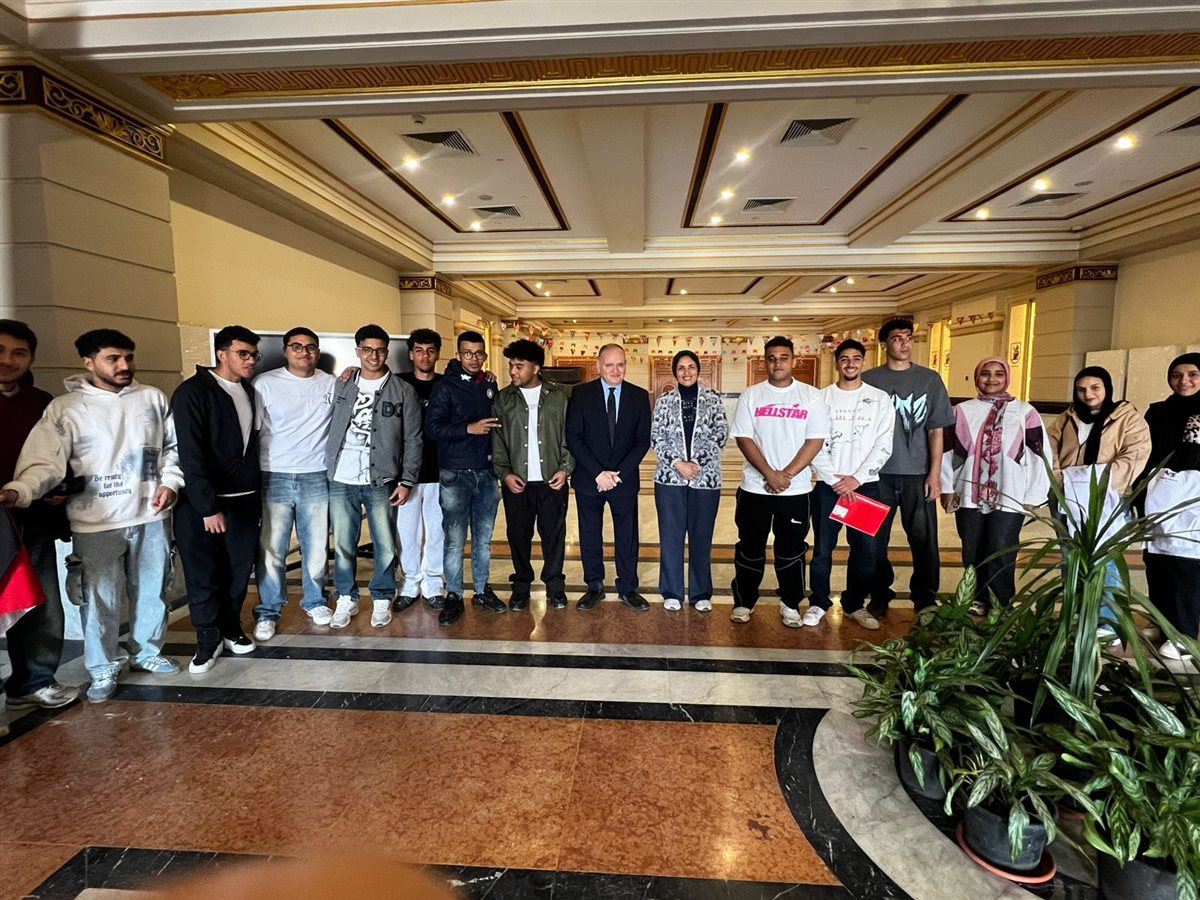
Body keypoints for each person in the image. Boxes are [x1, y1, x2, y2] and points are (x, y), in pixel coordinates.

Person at [2, 329, 184, 702]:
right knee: (99, 599)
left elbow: (171, 448)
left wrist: (171, 483)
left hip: (150, 516)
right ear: (89, 363)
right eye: (112, 358)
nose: (123, 365)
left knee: (154, 591)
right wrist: (20, 490)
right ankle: (103, 666)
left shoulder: (152, 398)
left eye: (128, 357)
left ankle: (146, 652)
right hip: (96, 522)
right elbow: (44, 462)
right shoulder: (65, 408)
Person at [172, 324, 263, 673]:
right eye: (243, 354)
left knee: (238, 570)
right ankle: (207, 637)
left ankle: (230, 627)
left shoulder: (249, 391)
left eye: (253, 355)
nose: (250, 360)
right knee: (203, 572)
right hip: (204, 503)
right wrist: (207, 506)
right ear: (221, 354)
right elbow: (190, 453)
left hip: (245, 499)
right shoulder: (192, 392)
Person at [0, 319, 78, 714]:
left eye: (19, 353)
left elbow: (58, 460)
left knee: (40, 604)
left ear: (31, 358)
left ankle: (35, 681)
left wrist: (59, 489)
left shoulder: (43, 404)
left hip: (30, 522)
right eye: (0, 351)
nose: (8, 360)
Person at [729, 336, 830, 627]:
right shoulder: (752, 395)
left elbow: (815, 440)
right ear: (765, 362)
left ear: (793, 360)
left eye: (783, 357)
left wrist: (785, 475)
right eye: (772, 358)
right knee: (750, 547)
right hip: (754, 489)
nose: (777, 363)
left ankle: (790, 603)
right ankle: (744, 601)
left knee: (792, 550)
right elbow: (744, 438)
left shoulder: (811, 396)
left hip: (795, 491)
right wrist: (769, 474)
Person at [326, 324, 422, 630]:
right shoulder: (342, 385)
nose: (374, 356)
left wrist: (407, 481)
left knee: (384, 542)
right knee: (343, 542)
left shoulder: (403, 391)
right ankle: (346, 596)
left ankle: (382, 596)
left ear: (387, 353)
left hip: (382, 478)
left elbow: (413, 439)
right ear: (358, 351)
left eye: (380, 350)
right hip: (341, 477)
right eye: (367, 349)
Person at [862, 318, 955, 626]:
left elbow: (936, 430)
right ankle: (878, 594)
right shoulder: (868, 380)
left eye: (908, 337)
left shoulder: (930, 380)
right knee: (872, 540)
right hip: (875, 477)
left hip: (918, 475)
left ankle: (925, 598)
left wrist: (935, 475)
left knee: (925, 540)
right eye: (896, 338)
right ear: (884, 344)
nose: (904, 343)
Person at [940, 357, 1050, 615]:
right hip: (968, 492)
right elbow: (947, 452)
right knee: (972, 546)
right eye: (985, 373)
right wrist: (946, 487)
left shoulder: (1025, 412)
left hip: (1009, 492)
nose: (992, 379)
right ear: (976, 378)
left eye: (999, 374)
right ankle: (976, 597)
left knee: (1002, 546)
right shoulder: (960, 411)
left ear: (1007, 378)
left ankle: (1001, 602)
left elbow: (1039, 453)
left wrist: (1035, 492)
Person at [1047, 365, 1151, 635]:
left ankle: (1107, 621)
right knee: (1071, 557)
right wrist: (1061, 480)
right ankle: (1079, 610)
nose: (1088, 394)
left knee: (1107, 559)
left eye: (1095, 388)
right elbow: (1049, 449)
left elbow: (1135, 454)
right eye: (1081, 389)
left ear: (1107, 388)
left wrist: (1095, 482)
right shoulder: (1067, 418)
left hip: (1108, 497)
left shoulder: (1127, 418)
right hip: (1067, 496)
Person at [251, 327, 336, 641]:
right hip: (275, 474)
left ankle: (315, 601)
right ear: (286, 350)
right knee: (272, 548)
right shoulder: (265, 384)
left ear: (317, 351)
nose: (304, 352)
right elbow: (253, 431)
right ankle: (269, 611)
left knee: (316, 546)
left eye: (310, 347)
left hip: (316, 474)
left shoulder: (331, 383)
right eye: (297, 346)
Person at [809, 339, 895, 630]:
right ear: (837, 363)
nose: (850, 364)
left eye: (856, 358)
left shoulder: (879, 399)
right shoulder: (821, 398)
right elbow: (813, 443)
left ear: (863, 362)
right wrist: (835, 479)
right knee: (823, 548)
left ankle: (854, 604)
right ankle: (819, 602)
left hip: (865, 485)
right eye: (844, 358)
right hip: (828, 486)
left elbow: (884, 443)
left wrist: (857, 478)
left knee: (865, 549)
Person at [565, 343, 652, 612]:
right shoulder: (581, 394)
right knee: (590, 534)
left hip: (623, 481)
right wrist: (598, 473)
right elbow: (574, 437)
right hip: (589, 479)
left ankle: (628, 587)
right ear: (599, 366)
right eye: (610, 365)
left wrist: (618, 474)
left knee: (627, 536)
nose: (616, 370)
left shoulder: (639, 396)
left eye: (620, 364)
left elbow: (642, 441)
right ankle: (594, 586)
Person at [425, 331, 504, 625]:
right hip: (455, 474)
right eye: (468, 353)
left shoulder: (489, 384)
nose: (473, 358)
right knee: (455, 541)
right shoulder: (445, 387)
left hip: (486, 473)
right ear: (458, 355)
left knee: (483, 540)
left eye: (479, 353)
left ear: (485, 356)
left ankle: (482, 590)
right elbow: (432, 428)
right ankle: (454, 595)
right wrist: (467, 429)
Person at [492, 339, 573, 610]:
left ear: (536, 368)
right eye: (511, 366)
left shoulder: (559, 397)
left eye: (519, 366)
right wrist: (505, 474)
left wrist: (565, 468)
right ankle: (521, 587)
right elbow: (498, 441)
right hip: (518, 483)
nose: (513, 371)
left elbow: (569, 436)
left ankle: (555, 588)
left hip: (552, 482)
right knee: (518, 537)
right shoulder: (504, 398)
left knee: (554, 537)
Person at [650, 349, 728, 613]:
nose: (686, 372)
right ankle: (671, 591)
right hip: (669, 479)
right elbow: (656, 437)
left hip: (705, 481)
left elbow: (720, 433)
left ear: (698, 370)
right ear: (675, 372)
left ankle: (700, 593)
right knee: (670, 538)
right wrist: (678, 464)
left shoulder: (713, 399)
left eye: (691, 367)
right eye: (681, 367)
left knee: (701, 537)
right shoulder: (664, 401)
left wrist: (697, 463)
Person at [1141, 353, 1200, 660]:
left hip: (1192, 495)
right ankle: (1162, 622)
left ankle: (1183, 635)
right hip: (1158, 491)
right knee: (1156, 559)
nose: (1184, 381)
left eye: (1192, 374)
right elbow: (1145, 451)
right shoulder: (1158, 412)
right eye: (1177, 375)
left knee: (1184, 562)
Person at [396, 328, 446, 611]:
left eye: (430, 351)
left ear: (437, 354)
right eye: (419, 350)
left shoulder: (447, 384)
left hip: (440, 470)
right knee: (407, 532)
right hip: (406, 474)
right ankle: (409, 583)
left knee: (437, 531)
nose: (424, 356)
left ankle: (433, 584)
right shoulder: (397, 383)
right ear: (410, 354)